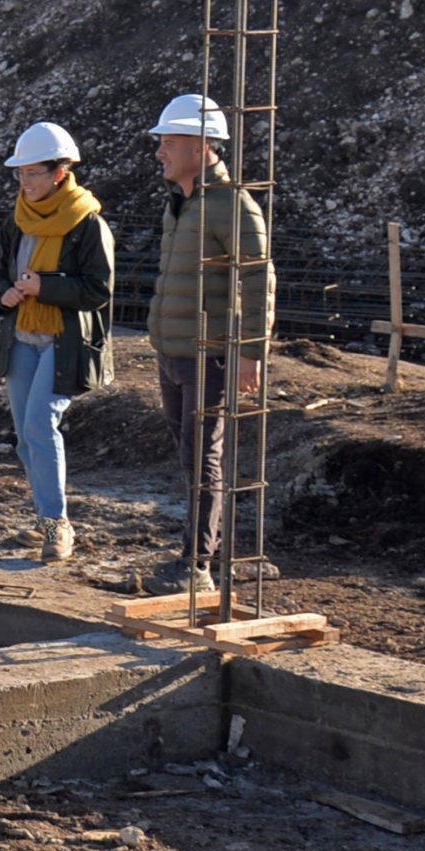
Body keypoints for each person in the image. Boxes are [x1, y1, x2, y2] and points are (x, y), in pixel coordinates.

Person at [146, 93, 274, 595]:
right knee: (189, 455)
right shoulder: (182, 202)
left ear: (201, 147)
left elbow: (259, 278)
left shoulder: (232, 204)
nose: (160, 151)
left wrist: (249, 353)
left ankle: (197, 564)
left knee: (203, 458)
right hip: (173, 352)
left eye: (169, 142)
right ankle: (203, 551)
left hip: (209, 354)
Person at [0, 121, 115, 563]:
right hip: (21, 337)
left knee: (41, 425)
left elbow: (98, 289)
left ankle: (58, 524)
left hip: (64, 343)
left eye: (33, 173)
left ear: (60, 172)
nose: (25, 181)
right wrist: (2, 294)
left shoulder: (87, 223)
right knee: (26, 436)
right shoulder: (17, 220)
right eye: (20, 173)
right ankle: (45, 520)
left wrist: (46, 287)